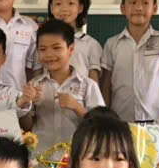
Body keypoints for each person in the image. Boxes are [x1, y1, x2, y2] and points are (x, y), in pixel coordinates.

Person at [26, 18, 105, 158]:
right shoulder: (34, 85)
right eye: (43, 49)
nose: (49, 54)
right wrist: (27, 104)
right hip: (41, 161)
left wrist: (77, 107)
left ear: (71, 49)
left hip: (77, 160)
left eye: (56, 48)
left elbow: (102, 125)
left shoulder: (88, 85)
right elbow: (27, 126)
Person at [45, 0, 102, 82]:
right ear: (51, 8)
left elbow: (93, 83)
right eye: (58, 3)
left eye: (71, 3)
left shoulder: (91, 44)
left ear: (80, 8)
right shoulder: (43, 41)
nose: (64, 9)